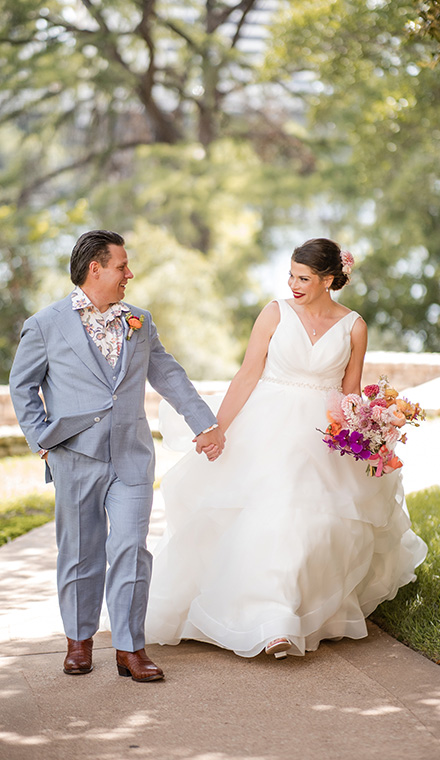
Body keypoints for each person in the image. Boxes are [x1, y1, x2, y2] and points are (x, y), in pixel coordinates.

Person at [145, 238, 427, 659]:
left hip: (322, 436)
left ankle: (298, 610)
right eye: (291, 275)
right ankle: (272, 620)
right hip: (267, 428)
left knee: (316, 526)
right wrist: (218, 429)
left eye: (304, 278)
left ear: (328, 280)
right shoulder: (275, 312)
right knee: (271, 516)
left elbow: (350, 390)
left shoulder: (354, 326)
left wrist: (371, 435)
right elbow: (247, 374)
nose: (293, 284)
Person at [9, 230, 225, 681]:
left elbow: (169, 375)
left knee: (131, 548)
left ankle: (130, 648)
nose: (130, 274)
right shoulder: (45, 324)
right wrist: (43, 443)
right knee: (80, 551)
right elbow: (22, 386)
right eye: (122, 266)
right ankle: (79, 641)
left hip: (131, 457)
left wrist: (204, 424)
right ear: (96, 269)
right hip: (73, 456)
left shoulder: (139, 321)